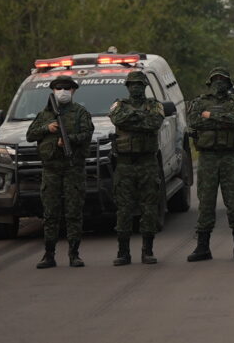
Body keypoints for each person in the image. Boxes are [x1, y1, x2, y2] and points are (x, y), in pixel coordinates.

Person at [26, 74, 95, 268]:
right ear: (53, 91)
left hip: (73, 169)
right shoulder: (44, 115)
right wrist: (47, 128)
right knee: (50, 214)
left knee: (73, 212)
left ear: (73, 91)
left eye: (67, 88)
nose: (63, 92)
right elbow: (30, 135)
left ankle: (74, 253)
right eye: (58, 88)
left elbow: (87, 134)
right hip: (51, 170)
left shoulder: (81, 112)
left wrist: (69, 139)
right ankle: (49, 254)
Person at [187, 67, 234, 262]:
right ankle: (202, 246)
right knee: (206, 202)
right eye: (215, 80)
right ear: (210, 82)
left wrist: (210, 116)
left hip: (229, 156)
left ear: (229, 83)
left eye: (223, 80)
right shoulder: (199, 102)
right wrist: (220, 119)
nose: (219, 83)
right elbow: (194, 121)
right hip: (207, 157)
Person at [110, 70, 165, 265]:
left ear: (145, 87)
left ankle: (147, 250)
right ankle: (123, 252)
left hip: (147, 162)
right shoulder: (119, 105)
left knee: (149, 208)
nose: (136, 88)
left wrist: (133, 119)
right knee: (123, 209)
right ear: (127, 87)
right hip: (125, 164)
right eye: (132, 84)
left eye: (139, 85)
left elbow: (154, 123)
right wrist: (140, 117)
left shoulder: (155, 105)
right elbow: (118, 119)